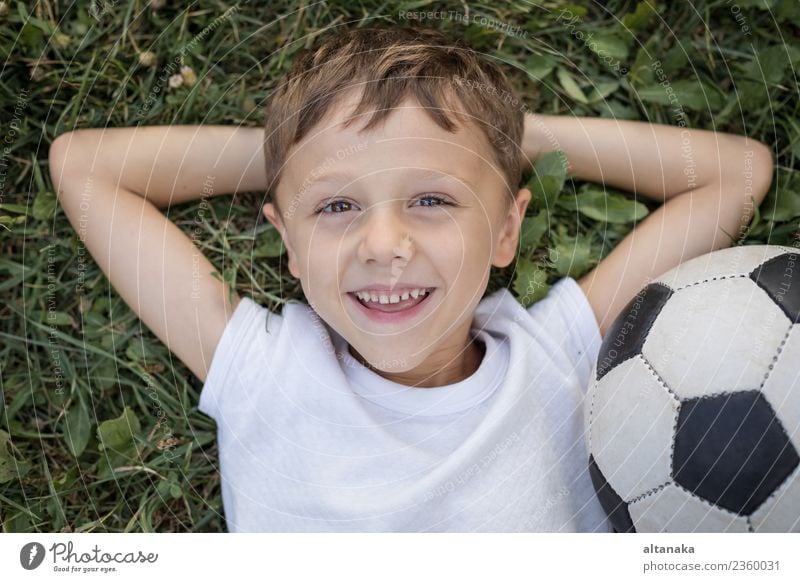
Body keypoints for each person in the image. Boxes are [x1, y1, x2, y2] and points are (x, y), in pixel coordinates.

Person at [48, 25, 773, 532]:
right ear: (288, 246)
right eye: (336, 207)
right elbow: (83, 167)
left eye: (431, 199)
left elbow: (737, 174)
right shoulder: (265, 372)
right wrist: (291, 155)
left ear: (506, 231)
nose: (383, 243)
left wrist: (507, 142)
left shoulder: (556, 356)